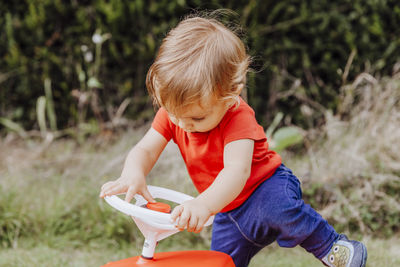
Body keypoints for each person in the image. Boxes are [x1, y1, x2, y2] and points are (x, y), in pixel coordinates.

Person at [99, 14, 367, 267]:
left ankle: (335, 248)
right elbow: (146, 149)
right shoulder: (177, 114)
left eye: (197, 118)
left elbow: (236, 171)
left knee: (280, 209)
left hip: (264, 187)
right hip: (227, 211)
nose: (183, 124)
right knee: (220, 261)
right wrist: (133, 173)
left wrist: (203, 204)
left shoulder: (238, 117)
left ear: (230, 94)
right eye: (173, 114)